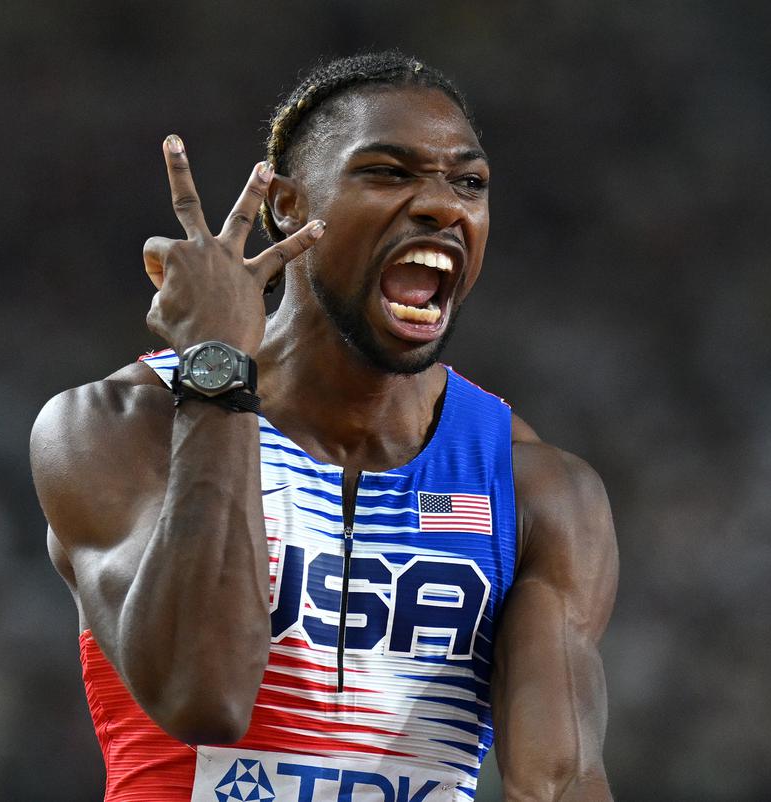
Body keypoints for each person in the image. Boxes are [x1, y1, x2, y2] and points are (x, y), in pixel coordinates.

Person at [31, 51, 618, 802]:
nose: (443, 205)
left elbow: (561, 784)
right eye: (389, 172)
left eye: (468, 182)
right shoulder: (116, 427)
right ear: (284, 203)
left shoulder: (536, 489)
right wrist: (217, 369)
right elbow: (203, 696)